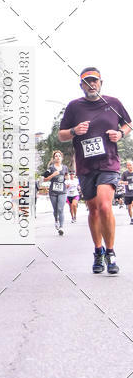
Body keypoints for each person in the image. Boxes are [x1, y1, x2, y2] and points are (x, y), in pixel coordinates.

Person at [59, 67, 131, 274]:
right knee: (93, 209)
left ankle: (110, 252)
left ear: (101, 83)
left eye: (95, 81)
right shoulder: (74, 107)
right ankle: (97, 251)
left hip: (109, 162)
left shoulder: (113, 103)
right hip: (85, 166)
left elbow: (128, 124)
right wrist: (74, 131)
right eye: (87, 82)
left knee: (105, 205)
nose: (92, 84)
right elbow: (61, 135)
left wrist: (120, 134)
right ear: (81, 85)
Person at [44, 150, 67, 234]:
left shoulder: (65, 167)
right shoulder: (51, 168)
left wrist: (67, 177)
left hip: (62, 191)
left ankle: (61, 227)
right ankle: (56, 220)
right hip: (53, 191)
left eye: (59, 156)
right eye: (56, 156)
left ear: (62, 158)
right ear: (54, 158)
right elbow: (45, 179)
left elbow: (66, 176)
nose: (58, 157)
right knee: (55, 210)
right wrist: (53, 175)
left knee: (61, 209)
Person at [120, 159, 133, 224]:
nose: (129, 166)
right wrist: (125, 182)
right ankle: (131, 218)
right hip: (128, 193)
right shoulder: (125, 173)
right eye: (127, 165)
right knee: (129, 207)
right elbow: (120, 182)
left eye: (130, 165)